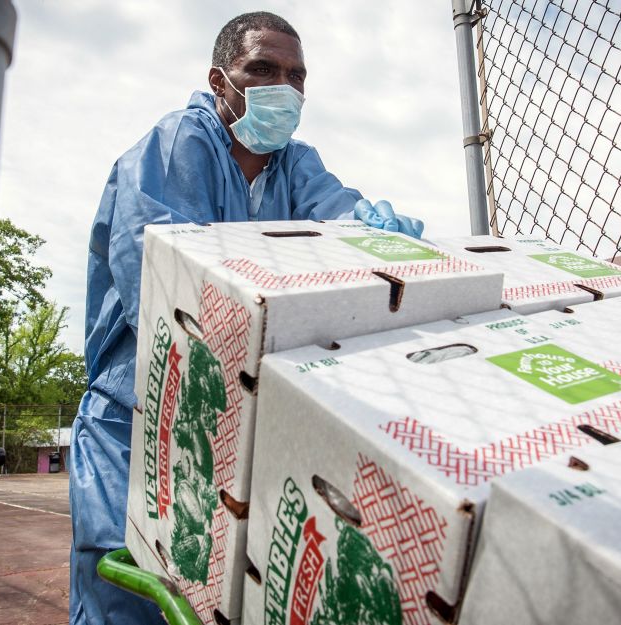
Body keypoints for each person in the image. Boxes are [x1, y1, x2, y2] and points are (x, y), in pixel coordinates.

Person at [69, 11, 422, 624]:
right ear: (219, 80)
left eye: (296, 76)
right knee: (129, 590)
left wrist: (371, 233)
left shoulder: (294, 164)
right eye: (262, 69)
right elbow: (165, 281)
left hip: (229, 425)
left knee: (215, 594)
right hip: (140, 418)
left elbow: (334, 213)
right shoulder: (180, 144)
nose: (282, 89)